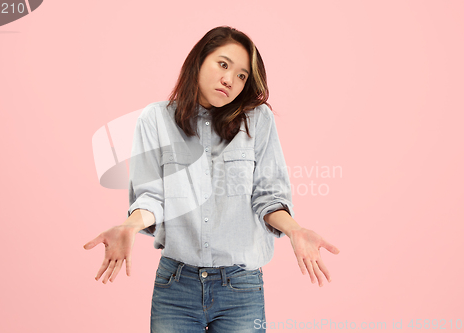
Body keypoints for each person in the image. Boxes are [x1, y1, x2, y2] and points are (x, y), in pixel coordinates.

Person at [84, 26, 339, 333]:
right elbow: (151, 197)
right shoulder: (155, 120)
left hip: (241, 288)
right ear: (199, 60)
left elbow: (267, 196)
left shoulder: (257, 121)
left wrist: (295, 230)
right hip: (175, 287)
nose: (230, 80)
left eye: (242, 75)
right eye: (223, 64)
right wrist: (130, 225)